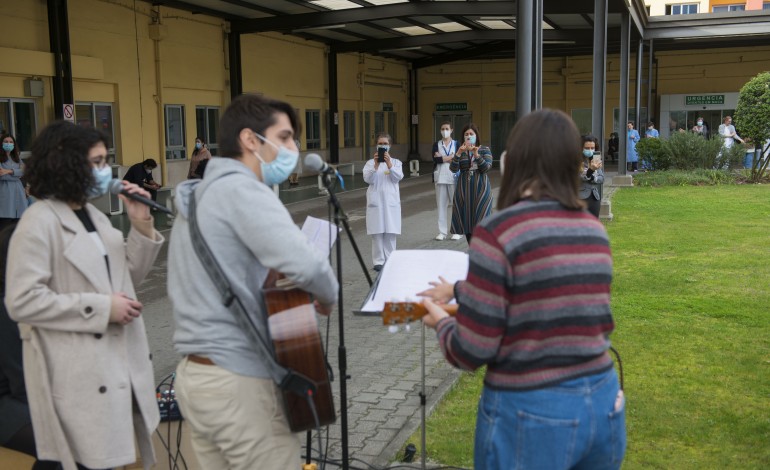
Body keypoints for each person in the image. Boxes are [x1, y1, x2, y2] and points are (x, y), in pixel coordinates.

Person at [419, 109, 625, 470]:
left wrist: (440, 322)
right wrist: (458, 288)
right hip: (605, 402)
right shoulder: (593, 231)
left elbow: (471, 349)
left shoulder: (499, 232)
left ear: (512, 161)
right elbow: (541, 290)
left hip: (533, 413)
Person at [168, 94, 338, 470]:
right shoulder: (242, 190)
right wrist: (328, 296)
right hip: (238, 382)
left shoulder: (196, 198)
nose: (293, 148)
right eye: (286, 137)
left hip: (196, 379)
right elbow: (309, 266)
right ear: (250, 140)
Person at [4, 121, 164, 470]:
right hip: (75, 371)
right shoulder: (39, 222)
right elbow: (22, 300)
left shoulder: (95, 216)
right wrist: (102, 308)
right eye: (97, 162)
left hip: (113, 363)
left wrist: (141, 224)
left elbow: (126, 279)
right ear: (66, 163)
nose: (105, 170)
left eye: (106, 161)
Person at [363, 132, 403, 271]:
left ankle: (391, 259)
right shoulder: (370, 163)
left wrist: (389, 164)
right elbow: (368, 179)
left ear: (390, 146)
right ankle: (378, 262)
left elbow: (397, 177)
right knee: (377, 233)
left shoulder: (396, 163)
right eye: (380, 143)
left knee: (390, 232)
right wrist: (375, 165)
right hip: (376, 203)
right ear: (376, 145)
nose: (383, 146)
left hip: (391, 203)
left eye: (385, 144)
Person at [450, 123, 493, 244]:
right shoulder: (461, 151)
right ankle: (472, 248)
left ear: (476, 136)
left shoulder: (484, 149)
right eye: (466, 134)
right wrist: (458, 153)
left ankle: (482, 249)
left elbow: (486, 168)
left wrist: (476, 154)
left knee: (482, 218)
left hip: (481, 188)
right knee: (467, 220)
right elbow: (453, 169)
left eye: (471, 134)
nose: (469, 136)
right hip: (464, 189)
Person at [431, 122, 461, 241]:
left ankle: (457, 231)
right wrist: (451, 157)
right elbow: (435, 159)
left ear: (451, 130)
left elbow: (458, 158)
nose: (445, 131)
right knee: (441, 206)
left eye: (447, 129)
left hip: (453, 177)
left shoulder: (456, 143)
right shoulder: (436, 144)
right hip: (440, 178)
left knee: (456, 206)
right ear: (440, 130)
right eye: (443, 129)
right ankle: (442, 232)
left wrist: (443, 158)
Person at [0, 134, 29, 231]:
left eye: (11, 142)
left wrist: (9, 171)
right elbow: (2, 175)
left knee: (17, 228)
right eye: (6, 141)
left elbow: (25, 171)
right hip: (5, 194)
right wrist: (17, 174)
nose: (8, 144)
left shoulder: (16, 158)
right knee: (5, 228)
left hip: (19, 195)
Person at [579, 134, 604, 218]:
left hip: (594, 197)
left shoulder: (595, 159)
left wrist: (593, 177)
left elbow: (601, 178)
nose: (590, 150)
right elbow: (579, 177)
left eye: (592, 148)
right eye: (587, 148)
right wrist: (590, 171)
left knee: (593, 225)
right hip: (580, 197)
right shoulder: (575, 160)